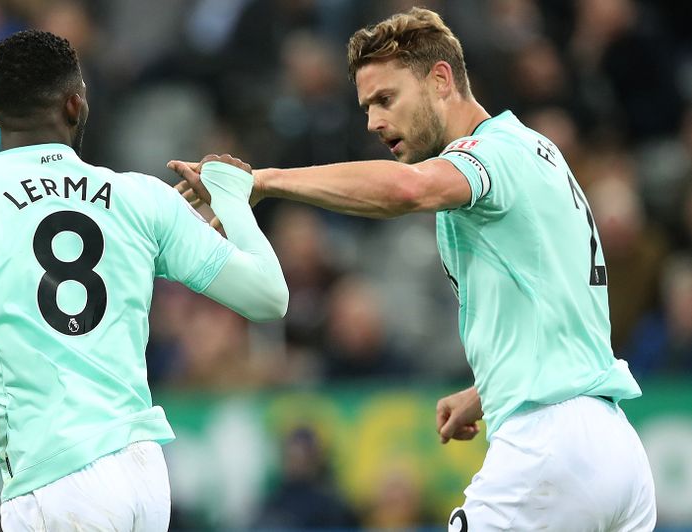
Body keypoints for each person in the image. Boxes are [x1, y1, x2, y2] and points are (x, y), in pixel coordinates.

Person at [173, 7, 655, 531]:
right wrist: (485, 392)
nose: (374, 121)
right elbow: (558, 309)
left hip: (550, 448)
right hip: (613, 449)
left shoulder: (490, 155)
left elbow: (409, 190)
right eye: (365, 107)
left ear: (441, 79)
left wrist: (264, 181)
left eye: (386, 99)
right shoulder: (535, 150)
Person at [0, 30, 288, 532]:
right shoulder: (144, 199)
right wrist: (233, 199)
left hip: (54, 479)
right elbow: (269, 298)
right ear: (76, 104)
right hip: (144, 474)